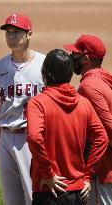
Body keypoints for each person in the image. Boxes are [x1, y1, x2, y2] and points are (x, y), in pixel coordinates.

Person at [26, 49, 109, 205]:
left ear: (45, 71)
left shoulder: (37, 103)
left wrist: (48, 173)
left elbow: (34, 137)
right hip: (78, 192)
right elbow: (102, 138)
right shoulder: (83, 103)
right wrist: (87, 176)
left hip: (48, 189)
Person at [0, 13, 46, 205]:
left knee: (33, 196)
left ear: (29, 34)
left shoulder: (44, 65)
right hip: (5, 138)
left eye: (17, 32)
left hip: (32, 138)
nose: (11, 36)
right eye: (8, 32)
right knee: (11, 200)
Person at [64, 35, 112, 205]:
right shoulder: (104, 78)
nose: (71, 58)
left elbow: (108, 130)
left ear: (85, 58)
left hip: (103, 170)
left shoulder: (88, 87)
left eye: (75, 54)